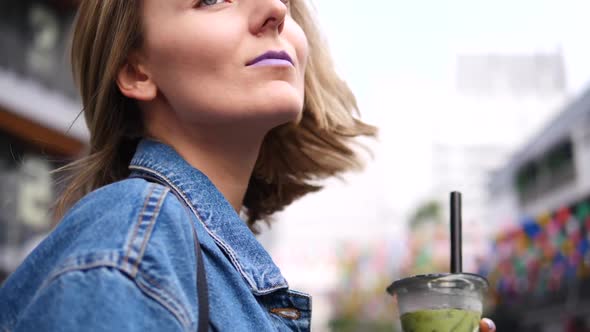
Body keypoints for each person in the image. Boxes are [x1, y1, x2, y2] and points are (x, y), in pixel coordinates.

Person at [0, 0, 496, 331]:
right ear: (136, 70)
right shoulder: (134, 246)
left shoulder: (191, 256)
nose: (276, 9)